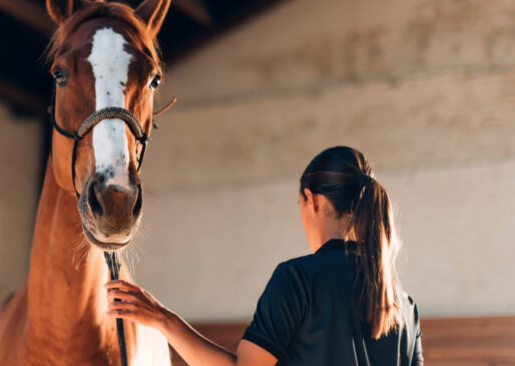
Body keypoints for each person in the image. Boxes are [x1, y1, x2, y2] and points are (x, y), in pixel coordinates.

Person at [105, 146, 423, 365]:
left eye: (299, 205)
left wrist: (162, 318)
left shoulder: (297, 279)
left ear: (311, 200)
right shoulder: (405, 306)